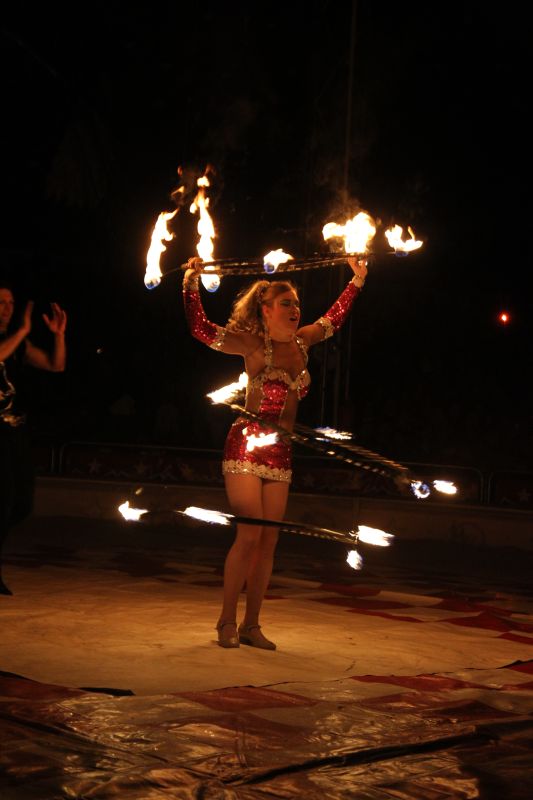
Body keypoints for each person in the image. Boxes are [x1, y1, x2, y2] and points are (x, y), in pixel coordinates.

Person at [183, 256, 367, 649]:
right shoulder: (252, 344)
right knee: (250, 534)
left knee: (268, 542)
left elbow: (334, 320)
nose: (295, 309)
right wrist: (190, 284)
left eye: (296, 304)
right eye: (286, 303)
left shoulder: (303, 342)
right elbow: (201, 329)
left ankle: (251, 625)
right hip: (246, 444)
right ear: (266, 310)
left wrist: (357, 280)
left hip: (281, 451)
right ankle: (226, 621)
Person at [0, 284, 67, 595]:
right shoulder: (13, 341)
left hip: (15, 431)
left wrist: (58, 335)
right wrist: (23, 330)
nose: (7, 308)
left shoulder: (19, 344)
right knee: (3, 501)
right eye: (1, 302)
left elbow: (56, 365)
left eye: (10, 302)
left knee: (22, 503)